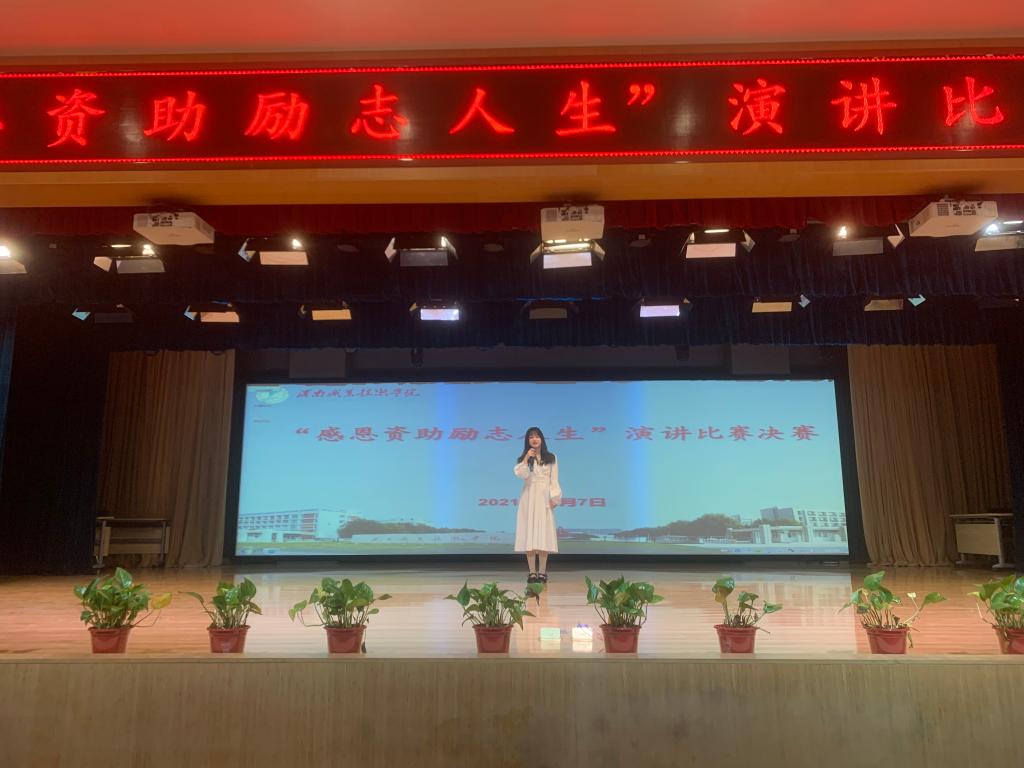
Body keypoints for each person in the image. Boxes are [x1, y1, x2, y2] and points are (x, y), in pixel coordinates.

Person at [513, 427, 562, 583]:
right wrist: (527, 457)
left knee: (543, 534)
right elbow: (521, 474)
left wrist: (555, 497)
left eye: (537, 436)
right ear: (527, 441)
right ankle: (532, 572)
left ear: (542, 438)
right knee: (529, 534)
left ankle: (542, 572)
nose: (534, 439)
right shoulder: (524, 458)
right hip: (528, 498)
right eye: (531, 437)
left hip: (544, 498)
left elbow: (554, 479)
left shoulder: (551, 457)